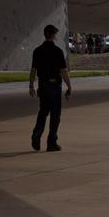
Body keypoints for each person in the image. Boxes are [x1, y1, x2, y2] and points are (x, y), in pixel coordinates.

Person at [29, 24, 71, 152]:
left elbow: (33, 71)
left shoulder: (37, 51)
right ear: (53, 35)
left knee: (43, 112)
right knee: (55, 115)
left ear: (44, 34)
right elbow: (64, 71)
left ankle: (37, 134)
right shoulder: (58, 51)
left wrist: (31, 86)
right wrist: (69, 86)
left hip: (43, 85)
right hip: (54, 86)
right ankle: (51, 142)